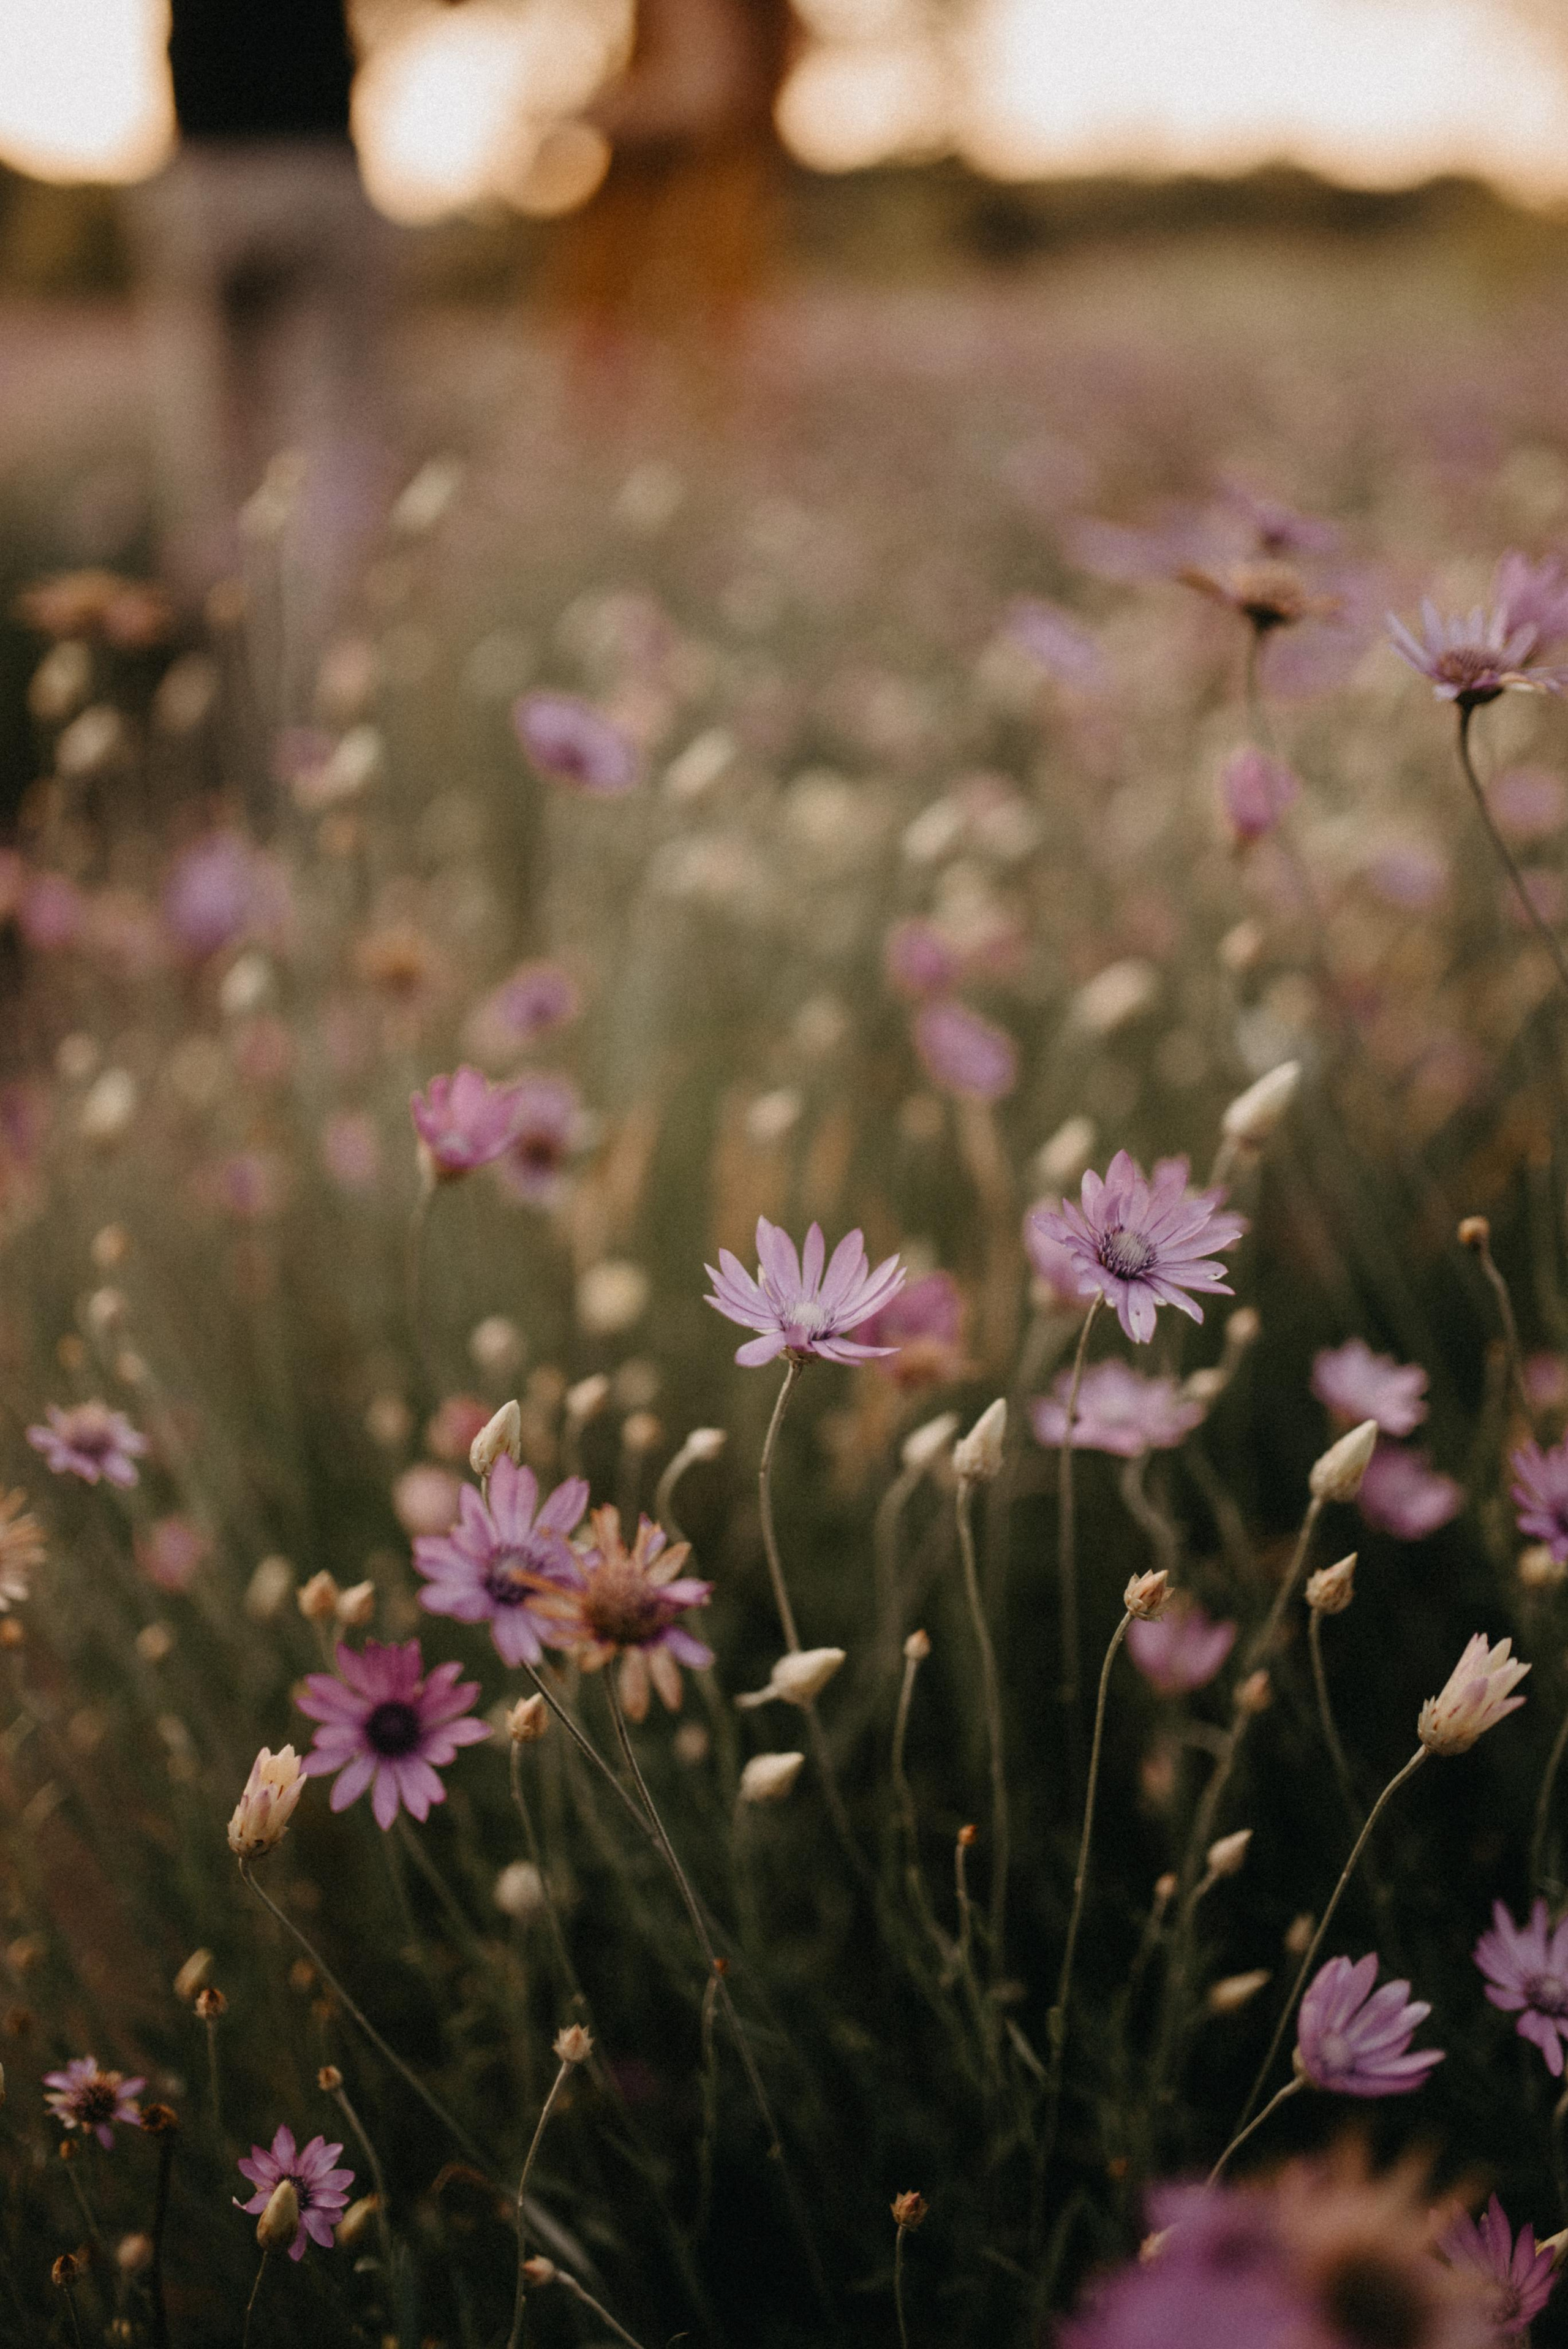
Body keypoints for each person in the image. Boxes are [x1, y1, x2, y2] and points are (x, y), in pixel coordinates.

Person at [123, 0, 396, 661]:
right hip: (316, 159)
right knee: (329, 450)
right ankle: (317, 688)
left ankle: (222, 694)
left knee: (209, 471)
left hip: (205, 164)